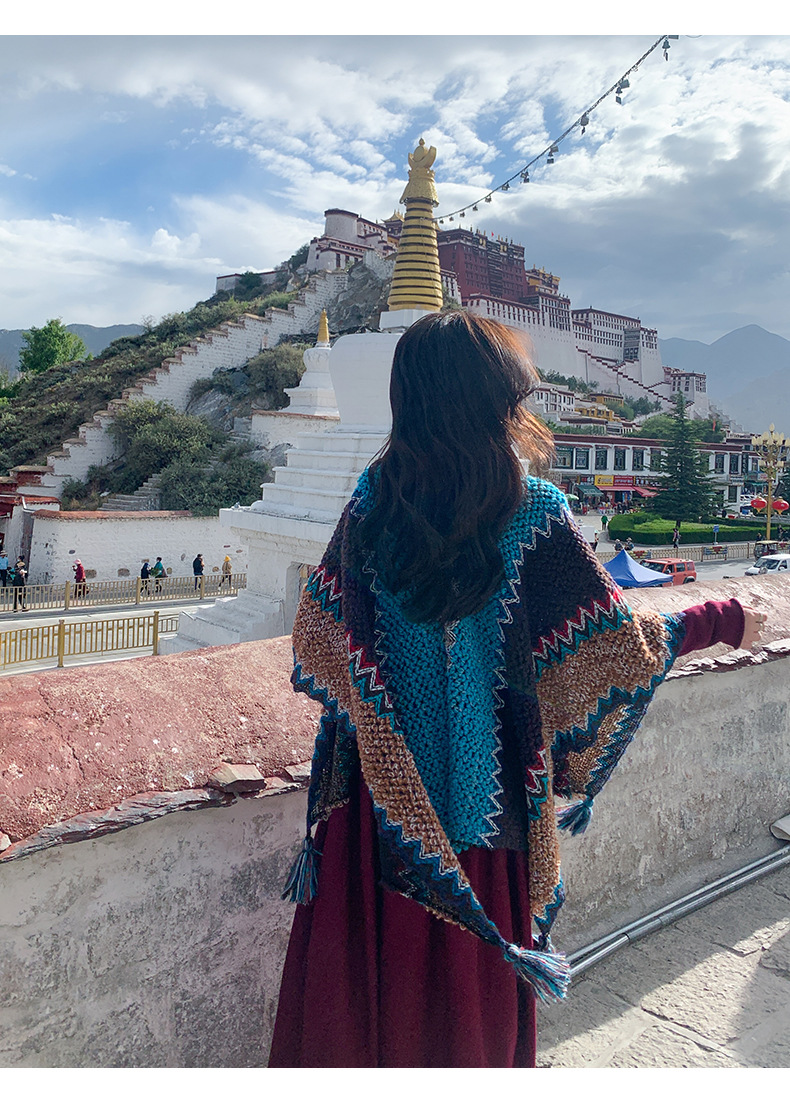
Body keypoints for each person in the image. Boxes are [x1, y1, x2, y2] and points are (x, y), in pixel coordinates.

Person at [268, 312, 763, 1069]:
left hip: (378, 812)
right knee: (464, 1014)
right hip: (484, 811)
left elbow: (319, 643)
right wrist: (718, 616)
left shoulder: (370, 506)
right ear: (495, 402)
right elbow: (615, 655)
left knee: (364, 1008)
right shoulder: (533, 514)